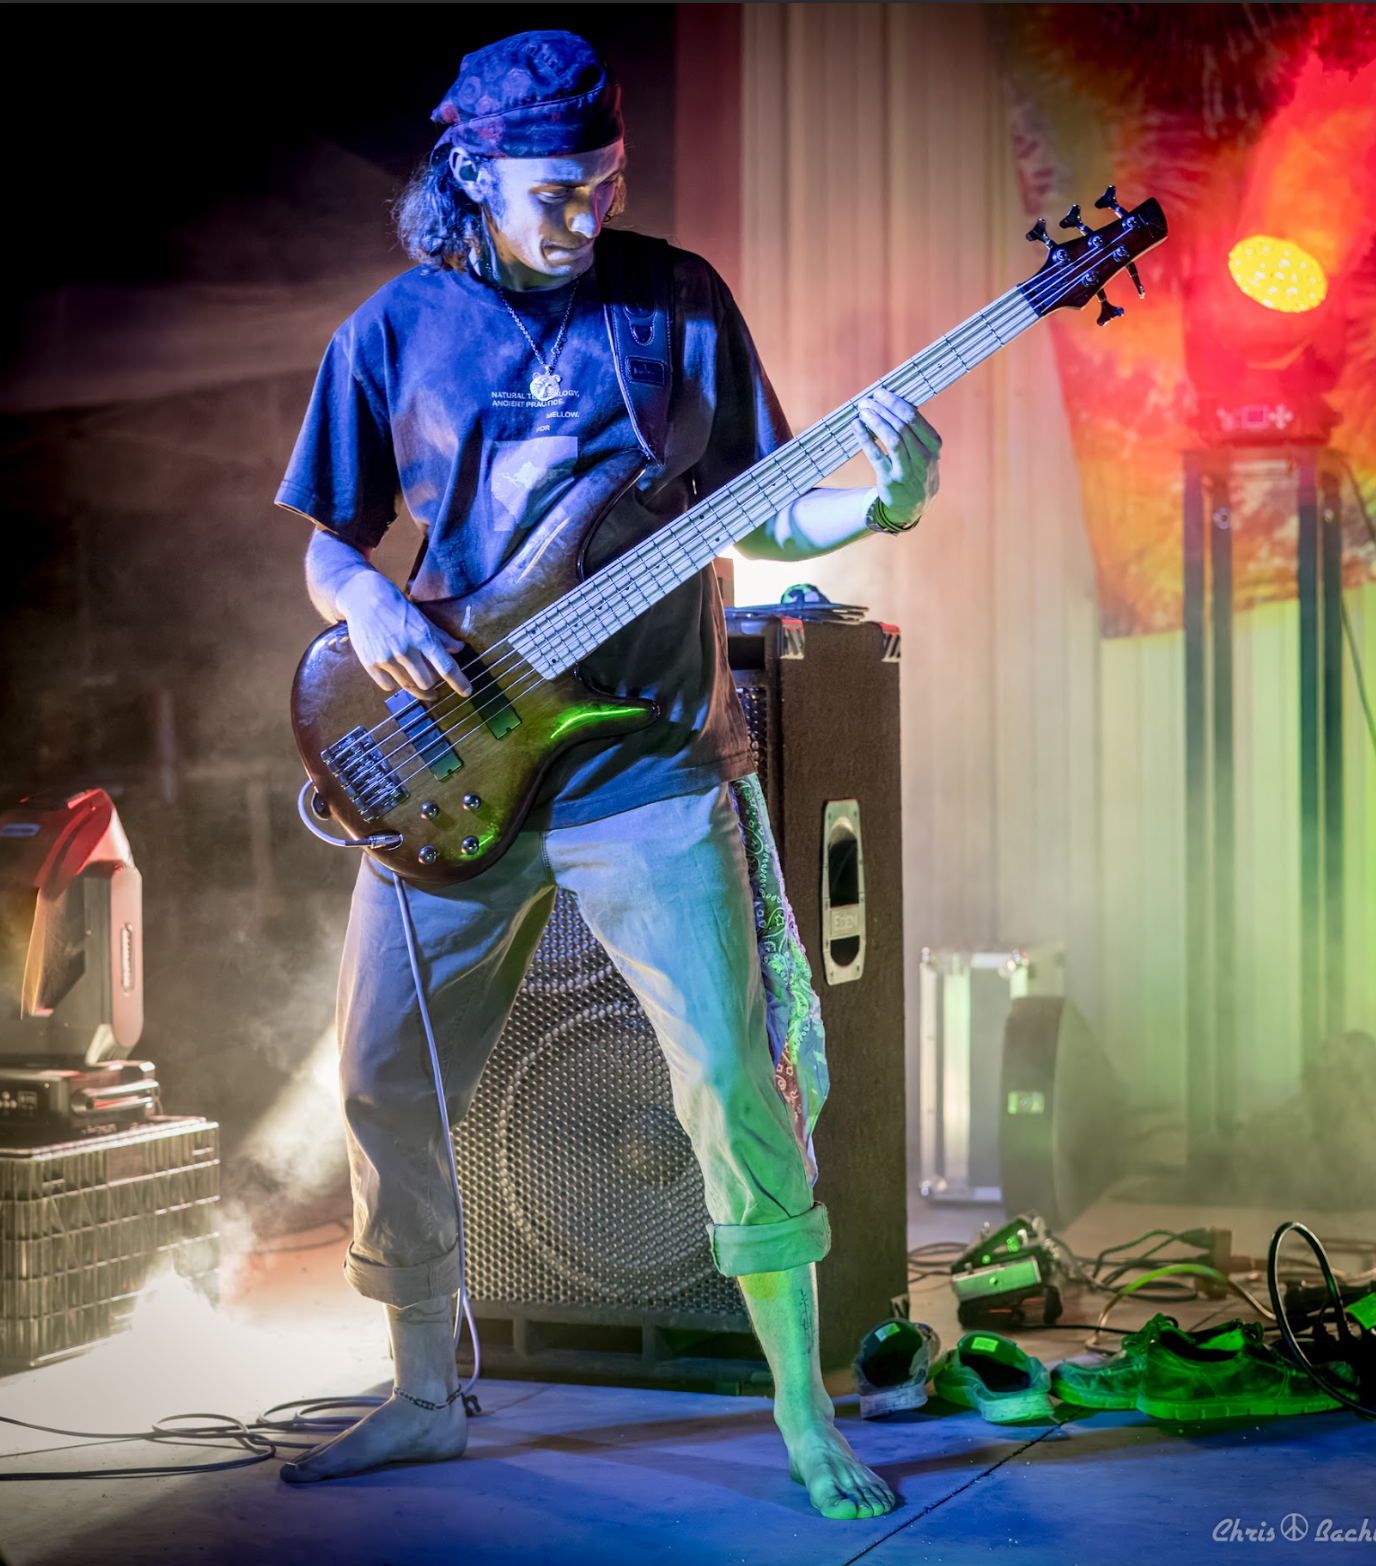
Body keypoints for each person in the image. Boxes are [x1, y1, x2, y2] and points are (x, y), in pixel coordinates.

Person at [275, 31, 940, 1520]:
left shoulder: (676, 301)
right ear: (474, 174)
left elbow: (769, 513)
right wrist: (368, 603)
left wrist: (885, 498)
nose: (587, 213)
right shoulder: (392, 330)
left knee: (733, 1086)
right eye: (558, 190)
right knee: (383, 1067)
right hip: (455, 764)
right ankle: (421, 1397)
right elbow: (330, 541)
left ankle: (800, 1413)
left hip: (646, 767)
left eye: (609, 183)